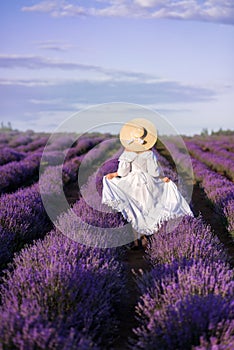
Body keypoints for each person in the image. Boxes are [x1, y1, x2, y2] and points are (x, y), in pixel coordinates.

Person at [102, 118, 193, 249]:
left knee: (134, 210)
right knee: (148, 210)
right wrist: (163, 179)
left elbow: (123, 172)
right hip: (148, 184)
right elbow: (154, 173)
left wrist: (113, 175)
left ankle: (136, 239)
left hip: (132, 184)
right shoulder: (149, 154)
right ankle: (148, 239)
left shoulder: (127, 153)